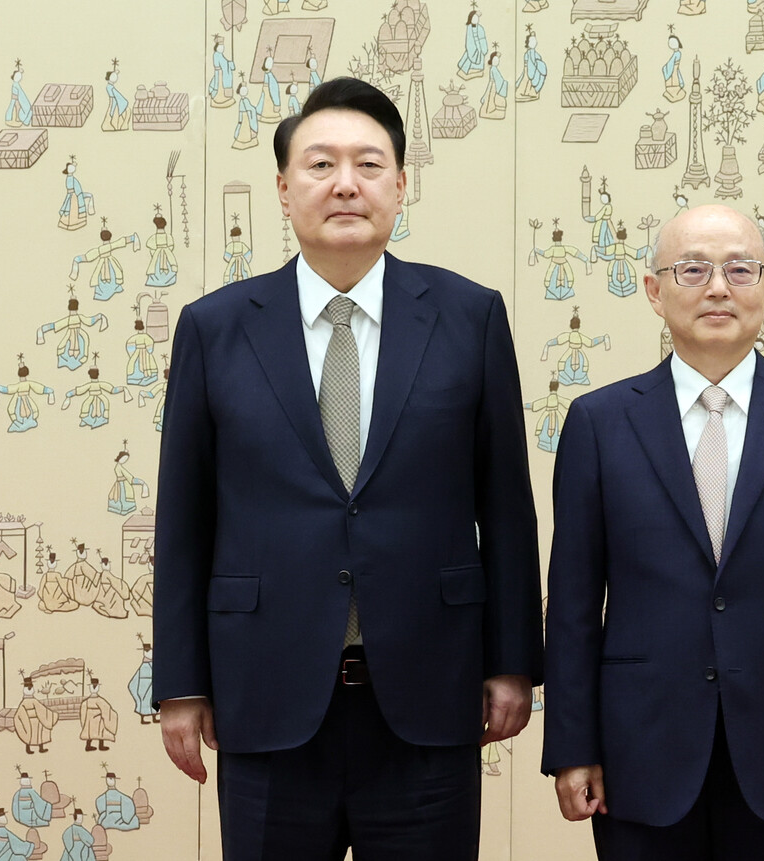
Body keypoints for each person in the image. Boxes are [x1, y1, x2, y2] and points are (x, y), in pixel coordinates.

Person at [154, 78, 542, 861]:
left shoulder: (469, 317)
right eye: (320, 164)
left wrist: (512, 663)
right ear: (283, 189)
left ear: (401, 185)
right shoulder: (215, 328)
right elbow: (185, 521)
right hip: (265, 690)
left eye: (369, 164)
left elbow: (505, 506)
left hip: (430, 689)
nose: (345, 184)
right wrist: (182, 683)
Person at [542, 205, 764, 859]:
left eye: (740, 270)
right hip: (640, 750)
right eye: (693, 269)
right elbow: (575, 604)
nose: (719, 287)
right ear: (654, 291)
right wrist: (572, 747)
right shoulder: (599, 422)